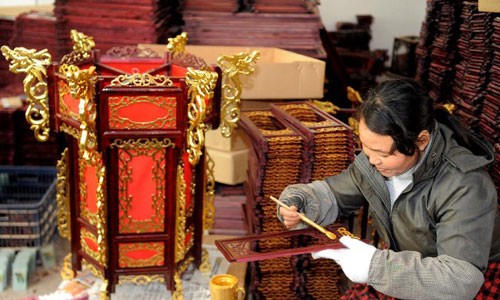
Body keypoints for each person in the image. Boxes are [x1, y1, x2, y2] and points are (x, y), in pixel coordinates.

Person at [277, 79, 500, 300]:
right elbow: (335, 194)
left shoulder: (464, 184)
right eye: (365, 147)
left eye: (383, 154)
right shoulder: (375, 163)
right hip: (397, 267)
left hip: (452, 285)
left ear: (421, 141)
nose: (372, 161)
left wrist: (374, 266)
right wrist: (302, 202)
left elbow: (459, 280)